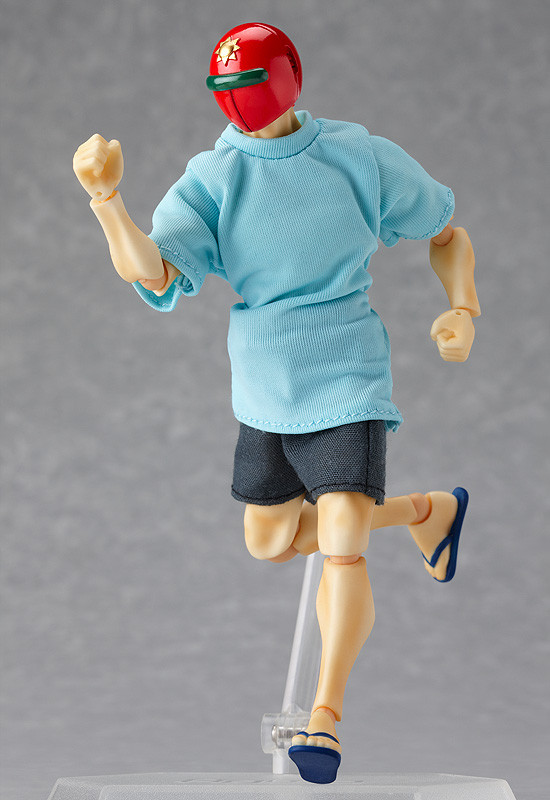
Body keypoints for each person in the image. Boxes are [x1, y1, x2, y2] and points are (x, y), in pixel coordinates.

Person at [73, 22, 480, 784]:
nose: (240, 106)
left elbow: (445, 231)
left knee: (342, 541)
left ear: (289, 79)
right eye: (227, 93)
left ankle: (325, 720)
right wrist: (106, 201)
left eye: (250, 87)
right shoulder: (215, 178)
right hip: (264, 391)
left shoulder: (356, 156)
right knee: (270, 541)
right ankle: (429, 513)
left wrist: (463, 305)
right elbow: (154, 272)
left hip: (347, 375)